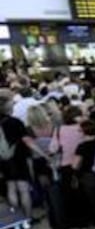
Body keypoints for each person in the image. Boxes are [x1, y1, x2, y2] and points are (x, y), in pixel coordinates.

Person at [0, 90, 50, 219]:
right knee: (23, 190)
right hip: (19, 158)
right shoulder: (16, 122)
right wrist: (44, 155)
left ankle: (16, 219)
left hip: (3, 160)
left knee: (11, 188)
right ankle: (27, 218)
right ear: (7, 108)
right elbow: (28, 141)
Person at [72, 120, 95, 227]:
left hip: (89, 176)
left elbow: (75, 165)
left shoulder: (82, 146)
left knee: (94, 200)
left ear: (83, 132)